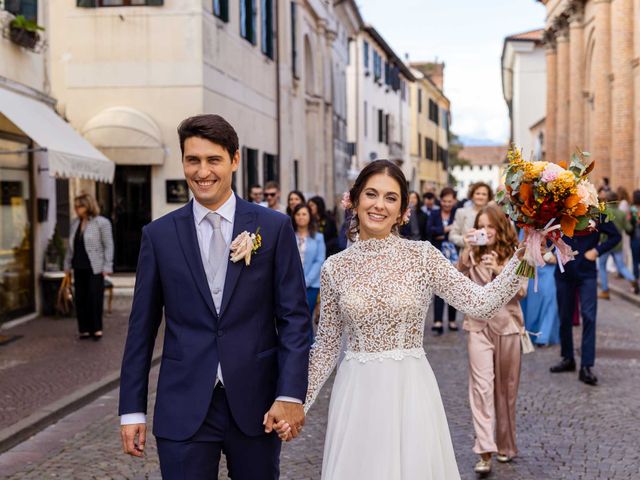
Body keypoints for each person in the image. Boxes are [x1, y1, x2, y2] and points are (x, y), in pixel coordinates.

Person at [278, 160, 527, 479]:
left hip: (410, 391)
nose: (379, 205)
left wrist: (524, 258)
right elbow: (326, 347)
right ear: (354, 201)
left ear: (402, 210)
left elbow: (479, 304)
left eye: (390, 197)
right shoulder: (334, 268)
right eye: (371, 194)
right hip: (357, 395)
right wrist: (297, 404)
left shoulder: (422, 257)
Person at [118, 114, 311, 479]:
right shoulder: (158, 236)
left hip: (257, 406)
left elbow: (295, 321)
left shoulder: (272, 227)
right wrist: (131, 411)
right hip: (183, 406)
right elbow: (141, 330)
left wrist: (289, 395)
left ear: (234, 160)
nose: (202, 171)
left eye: (213, 160)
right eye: (193, 160)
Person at [458, 204, 526, 474]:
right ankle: (485, 450)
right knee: (481, 388)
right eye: (481, 226)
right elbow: (455, 280)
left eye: (490, 227)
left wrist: (499, 268)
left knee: (506, 391)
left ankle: (506, 445)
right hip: (477, 327)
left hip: (507, 327)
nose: (486, 232)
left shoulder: (518, 255)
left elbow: (522, 292)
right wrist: (466, 251)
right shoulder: (472, 253)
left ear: (500, 227)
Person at [550, 215, 621, 385]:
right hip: (563, 272)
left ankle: (586, 366)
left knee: (589, 317)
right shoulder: (559, 207)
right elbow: (546, 231)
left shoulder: (597, 212)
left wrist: (597, 251)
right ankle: (568, 358)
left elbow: (616, 236)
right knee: (565, 316)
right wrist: (551, 251)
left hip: (587, 273)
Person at [63, 193, 113, 341]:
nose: (77, 209)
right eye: (76, 206)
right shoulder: (74, 223)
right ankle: (83, 329)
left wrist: (107, 265)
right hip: (78, 266)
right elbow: (70, 247)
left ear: (89, 206)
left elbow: (108, 245)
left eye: (81, 206)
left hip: (95, 266)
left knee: (94, 297)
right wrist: (66, 266)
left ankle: (96, 328)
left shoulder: (101, 222)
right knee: (81, 298)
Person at [519, 238, 560, 346]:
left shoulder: (557, 227)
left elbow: (565, 251)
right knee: (531, 304)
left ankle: (544, 336)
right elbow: (521, 250)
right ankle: (530, 333)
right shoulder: (527, 228)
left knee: (549, 300)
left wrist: (553, 257)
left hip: (550, 269)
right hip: (531, 267)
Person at [428, 187, 459, 333]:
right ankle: (438, 321)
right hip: (438, 254)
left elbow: (459, 231)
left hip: (455, 255)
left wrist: (439, 232)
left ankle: (452, 320)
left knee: (454, 288)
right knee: (439, 288)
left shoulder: (457, 213)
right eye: (444, 201)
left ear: (454, 201)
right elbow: (429, 231)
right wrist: (446, 230)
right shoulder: (434, 213)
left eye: (450, 201)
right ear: (440, 201)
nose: (447, 204)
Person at [598, 192, 638, 297]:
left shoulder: (603, 212)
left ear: (607, 200)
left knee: (602, 266)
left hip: (605, 243)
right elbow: (628, 228)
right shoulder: (622, 213)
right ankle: (633, 280)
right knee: (621, 266)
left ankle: (605, 290)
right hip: (617, 243)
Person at [292, 204, 326, 324]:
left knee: (306, 319)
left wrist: (306, 281)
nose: (301, 217)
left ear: (310, 216)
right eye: (298, 214)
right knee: (294, 319)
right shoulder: (289, 235)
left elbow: (320, 260)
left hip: (311, 286)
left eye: (304, 214)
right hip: (292, 285)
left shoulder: (318, 237)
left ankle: (309, 343)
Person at [449, 182, 493, 249]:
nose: (480, 197)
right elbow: (452, 236)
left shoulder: (493, 214)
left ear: (488, 197)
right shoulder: (461, 212)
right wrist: (464, 239)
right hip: (467, 254)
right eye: (477, 193)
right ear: (472, 196)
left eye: (484, 194)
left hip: (489, 253)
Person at [630, 190, 640, 282]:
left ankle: (636, 281)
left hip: (635, 238)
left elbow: (629, 224)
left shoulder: (632, 209)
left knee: (635, 261)